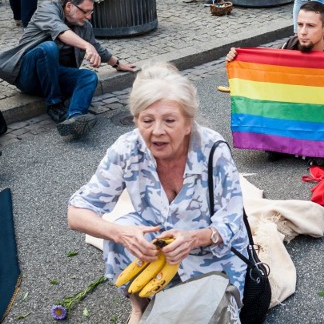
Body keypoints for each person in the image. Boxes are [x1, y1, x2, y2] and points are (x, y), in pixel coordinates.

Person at [67, 63, 249, 324]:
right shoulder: (126, 149)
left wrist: (193, 238)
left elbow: (232, 220)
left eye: (170, 120)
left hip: (209, 250)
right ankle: (139, 306)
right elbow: (77, 212)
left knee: (209, 313)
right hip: (157, 249)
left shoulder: (213, 150)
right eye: (147, 120)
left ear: (188, 124)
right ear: (136, 120)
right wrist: (121, 234)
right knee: (119, 231)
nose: (157, 131)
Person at [226, 1, 324, 169]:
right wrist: (237, 60)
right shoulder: (288, 47)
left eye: (310, 26)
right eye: (300, 24)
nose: (303, 32)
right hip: (296, 110)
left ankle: (302, 147)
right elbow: (262, 78)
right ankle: (291, 144)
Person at [0, 0, 136, 138]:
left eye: (91, 11)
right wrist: (86, 45)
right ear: (70, 6)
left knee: (89, 76)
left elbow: (97, 47)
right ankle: (54, 105)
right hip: (27, 75)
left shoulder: (84, 26)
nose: (89, 16)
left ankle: (75, 118)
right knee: (48, 48)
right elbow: (61, 31)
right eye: (85, 11)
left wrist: (117, 63)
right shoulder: (47, 10)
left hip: (56, 77)